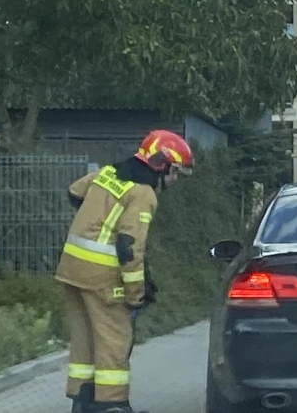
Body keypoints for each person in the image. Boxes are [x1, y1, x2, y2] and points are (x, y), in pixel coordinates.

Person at [57, 130, 194, 413]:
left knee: (84, 341)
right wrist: (136, 294)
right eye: (175, 171)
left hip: (71, 270)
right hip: (102, 279)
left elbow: (74, 192)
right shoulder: (143, 194)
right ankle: (112, 405)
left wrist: (97, 214)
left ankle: (83, 400)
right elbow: (129, 248)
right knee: (114, 342)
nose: (175, 179)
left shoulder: (109, 173)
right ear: (162, 165)